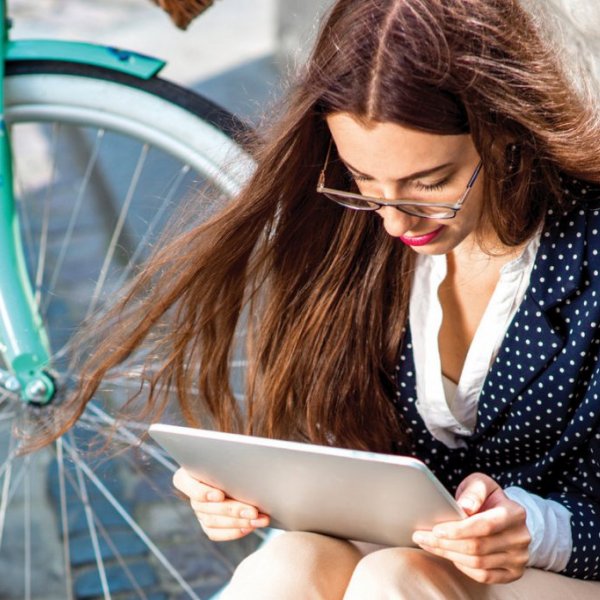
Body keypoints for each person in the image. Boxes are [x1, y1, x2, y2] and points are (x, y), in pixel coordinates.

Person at [64, 0, 600, 597]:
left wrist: (539, 531)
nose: (395, 222)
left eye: (430, 184)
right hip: (414, 556)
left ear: (505, 132)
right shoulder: (356, 241)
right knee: (289, 563)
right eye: (364, 181)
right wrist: (249, 489)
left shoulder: (588, 251)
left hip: (561, 572)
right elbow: (355, 454)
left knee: (396, 579)